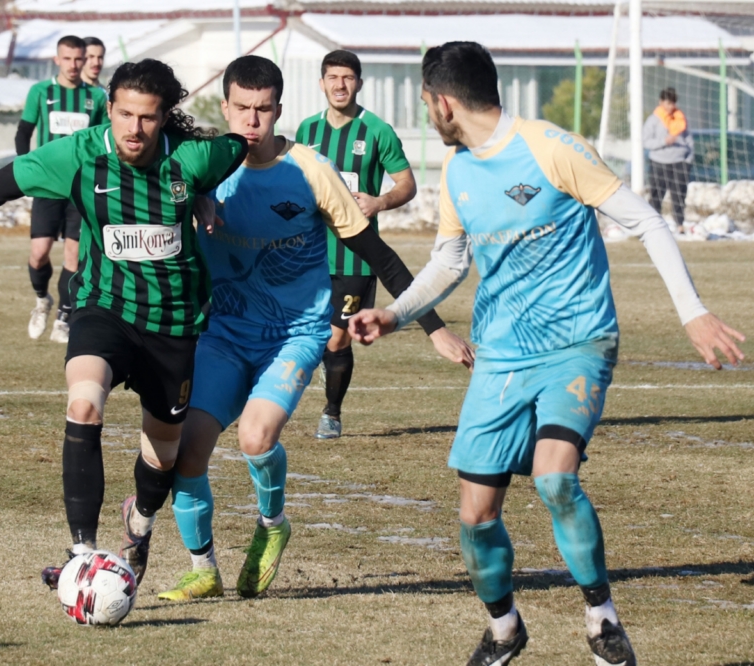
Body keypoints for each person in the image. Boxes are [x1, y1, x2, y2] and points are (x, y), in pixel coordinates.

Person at [348, 42, 745, 666]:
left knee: (556, 476)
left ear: (443, 101)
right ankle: (505, 628)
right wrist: (395, 314)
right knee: (476, 513)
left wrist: (692, 311)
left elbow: (647, 220)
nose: (428, 111)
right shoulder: (457, 171)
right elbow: (451, 259)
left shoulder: (552, 147)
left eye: (426, 101)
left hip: (576, 345)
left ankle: (601, 617)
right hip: (501, 357)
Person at [0, 59, 248, 590]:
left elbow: (242, 143)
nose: (133, 128)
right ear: (109, 109)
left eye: (147, 118)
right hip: (104, 310)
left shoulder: (191, 160)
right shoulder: (78, 155)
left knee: (162, 455)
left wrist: (206, 193)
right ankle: (81, 551)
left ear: (164, 116)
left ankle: (139, 524)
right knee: (83, 403)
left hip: (174, 326)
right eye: (124, 114)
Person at [153, 55, 473, 603]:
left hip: (293, 333)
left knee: (256, 437)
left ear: (280, 110)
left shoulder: (309, 169)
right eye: (242, 109)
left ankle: (273, 524)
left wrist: (433, 327)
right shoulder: (196, 167)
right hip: (222, 335)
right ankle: (203, 568)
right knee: (187, 454)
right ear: (225, 107)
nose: (251, 121)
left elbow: (378, 253)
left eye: (264, 109)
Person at [295, 49, 419, 440]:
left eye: (348, 77)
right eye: (333, 77)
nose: (340, 84)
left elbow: (406, 184)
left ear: (359, 83)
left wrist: (380, 201)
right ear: (322, 83)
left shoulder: (377, 131)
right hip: (309, 253)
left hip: (354, 258)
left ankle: (331, 413)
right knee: (306, 334)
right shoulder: (306, 131)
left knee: (337, 335)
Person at [15, 35, 109, 344]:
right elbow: (24, 132)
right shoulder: (41, 92)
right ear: (57, 60)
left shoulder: (95, 97)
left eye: (78, 59)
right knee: (39, 253)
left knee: (73, 256)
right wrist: (27, 169)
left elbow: (101, 142)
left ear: (85, 61)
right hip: (48, 186)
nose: (73, 65)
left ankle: (64, 317)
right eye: (67, 59)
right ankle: (42, 300)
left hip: (80, 189)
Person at [642, 87, 693, 233]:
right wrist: (664, 141)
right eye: (668, 103)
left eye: (673, 103)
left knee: (679, 195)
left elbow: (689, 141)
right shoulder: (653, 120)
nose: (671, 106)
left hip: (679, 162)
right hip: (659, 162)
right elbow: (646, 142)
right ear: (661, 102)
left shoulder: (680, 118)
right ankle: (653, 225)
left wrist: (688, 159)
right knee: (656, 195)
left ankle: (679, 225)